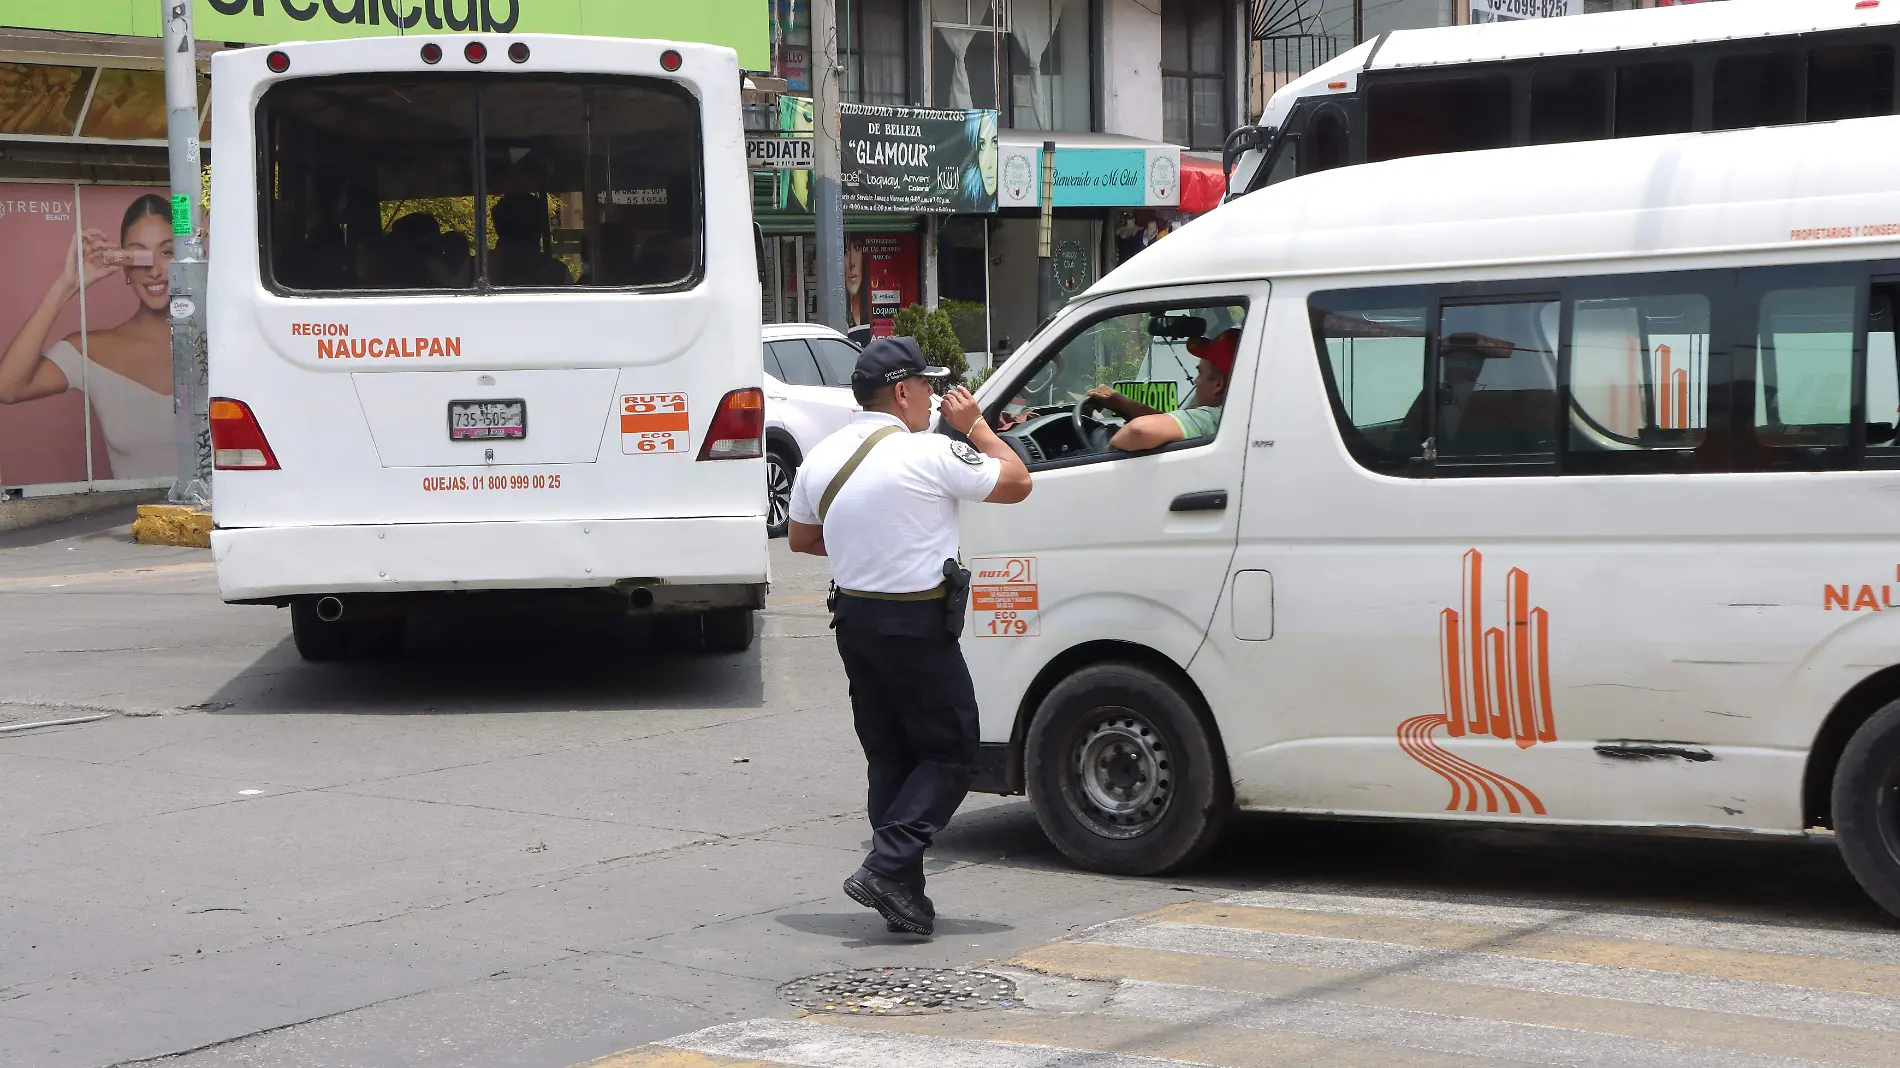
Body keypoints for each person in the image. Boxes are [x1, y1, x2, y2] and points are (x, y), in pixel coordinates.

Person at [785, 337, 1032, 936]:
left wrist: (869, 541)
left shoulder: (824, 455)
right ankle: (887, 865)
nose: (932, 397)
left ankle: (905, 897)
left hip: (854, 620)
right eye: (926, 385)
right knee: (952, 752)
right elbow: (1018, 481)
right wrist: (974, 426)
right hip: (916, 621)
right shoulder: (930, 452)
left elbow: (802, 539)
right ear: (902, 391)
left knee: (891, 754)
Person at [0, 194, 175, 479]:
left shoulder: (223, 342)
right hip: (132, 522)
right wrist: (66, 285)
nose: (154, 270)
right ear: (125, 266)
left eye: (167, 252)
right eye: (139, 255)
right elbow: (7, 387)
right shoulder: (92, 349)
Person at [1087, 328, 1239, 452]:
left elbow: (1138, 431)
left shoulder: (1215, 417)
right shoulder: (1237, 416)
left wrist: (1107, 454)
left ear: (1218, 385)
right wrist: (1120, 402)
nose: (1195, 381)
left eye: (1200, 373)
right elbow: (1168, 423)